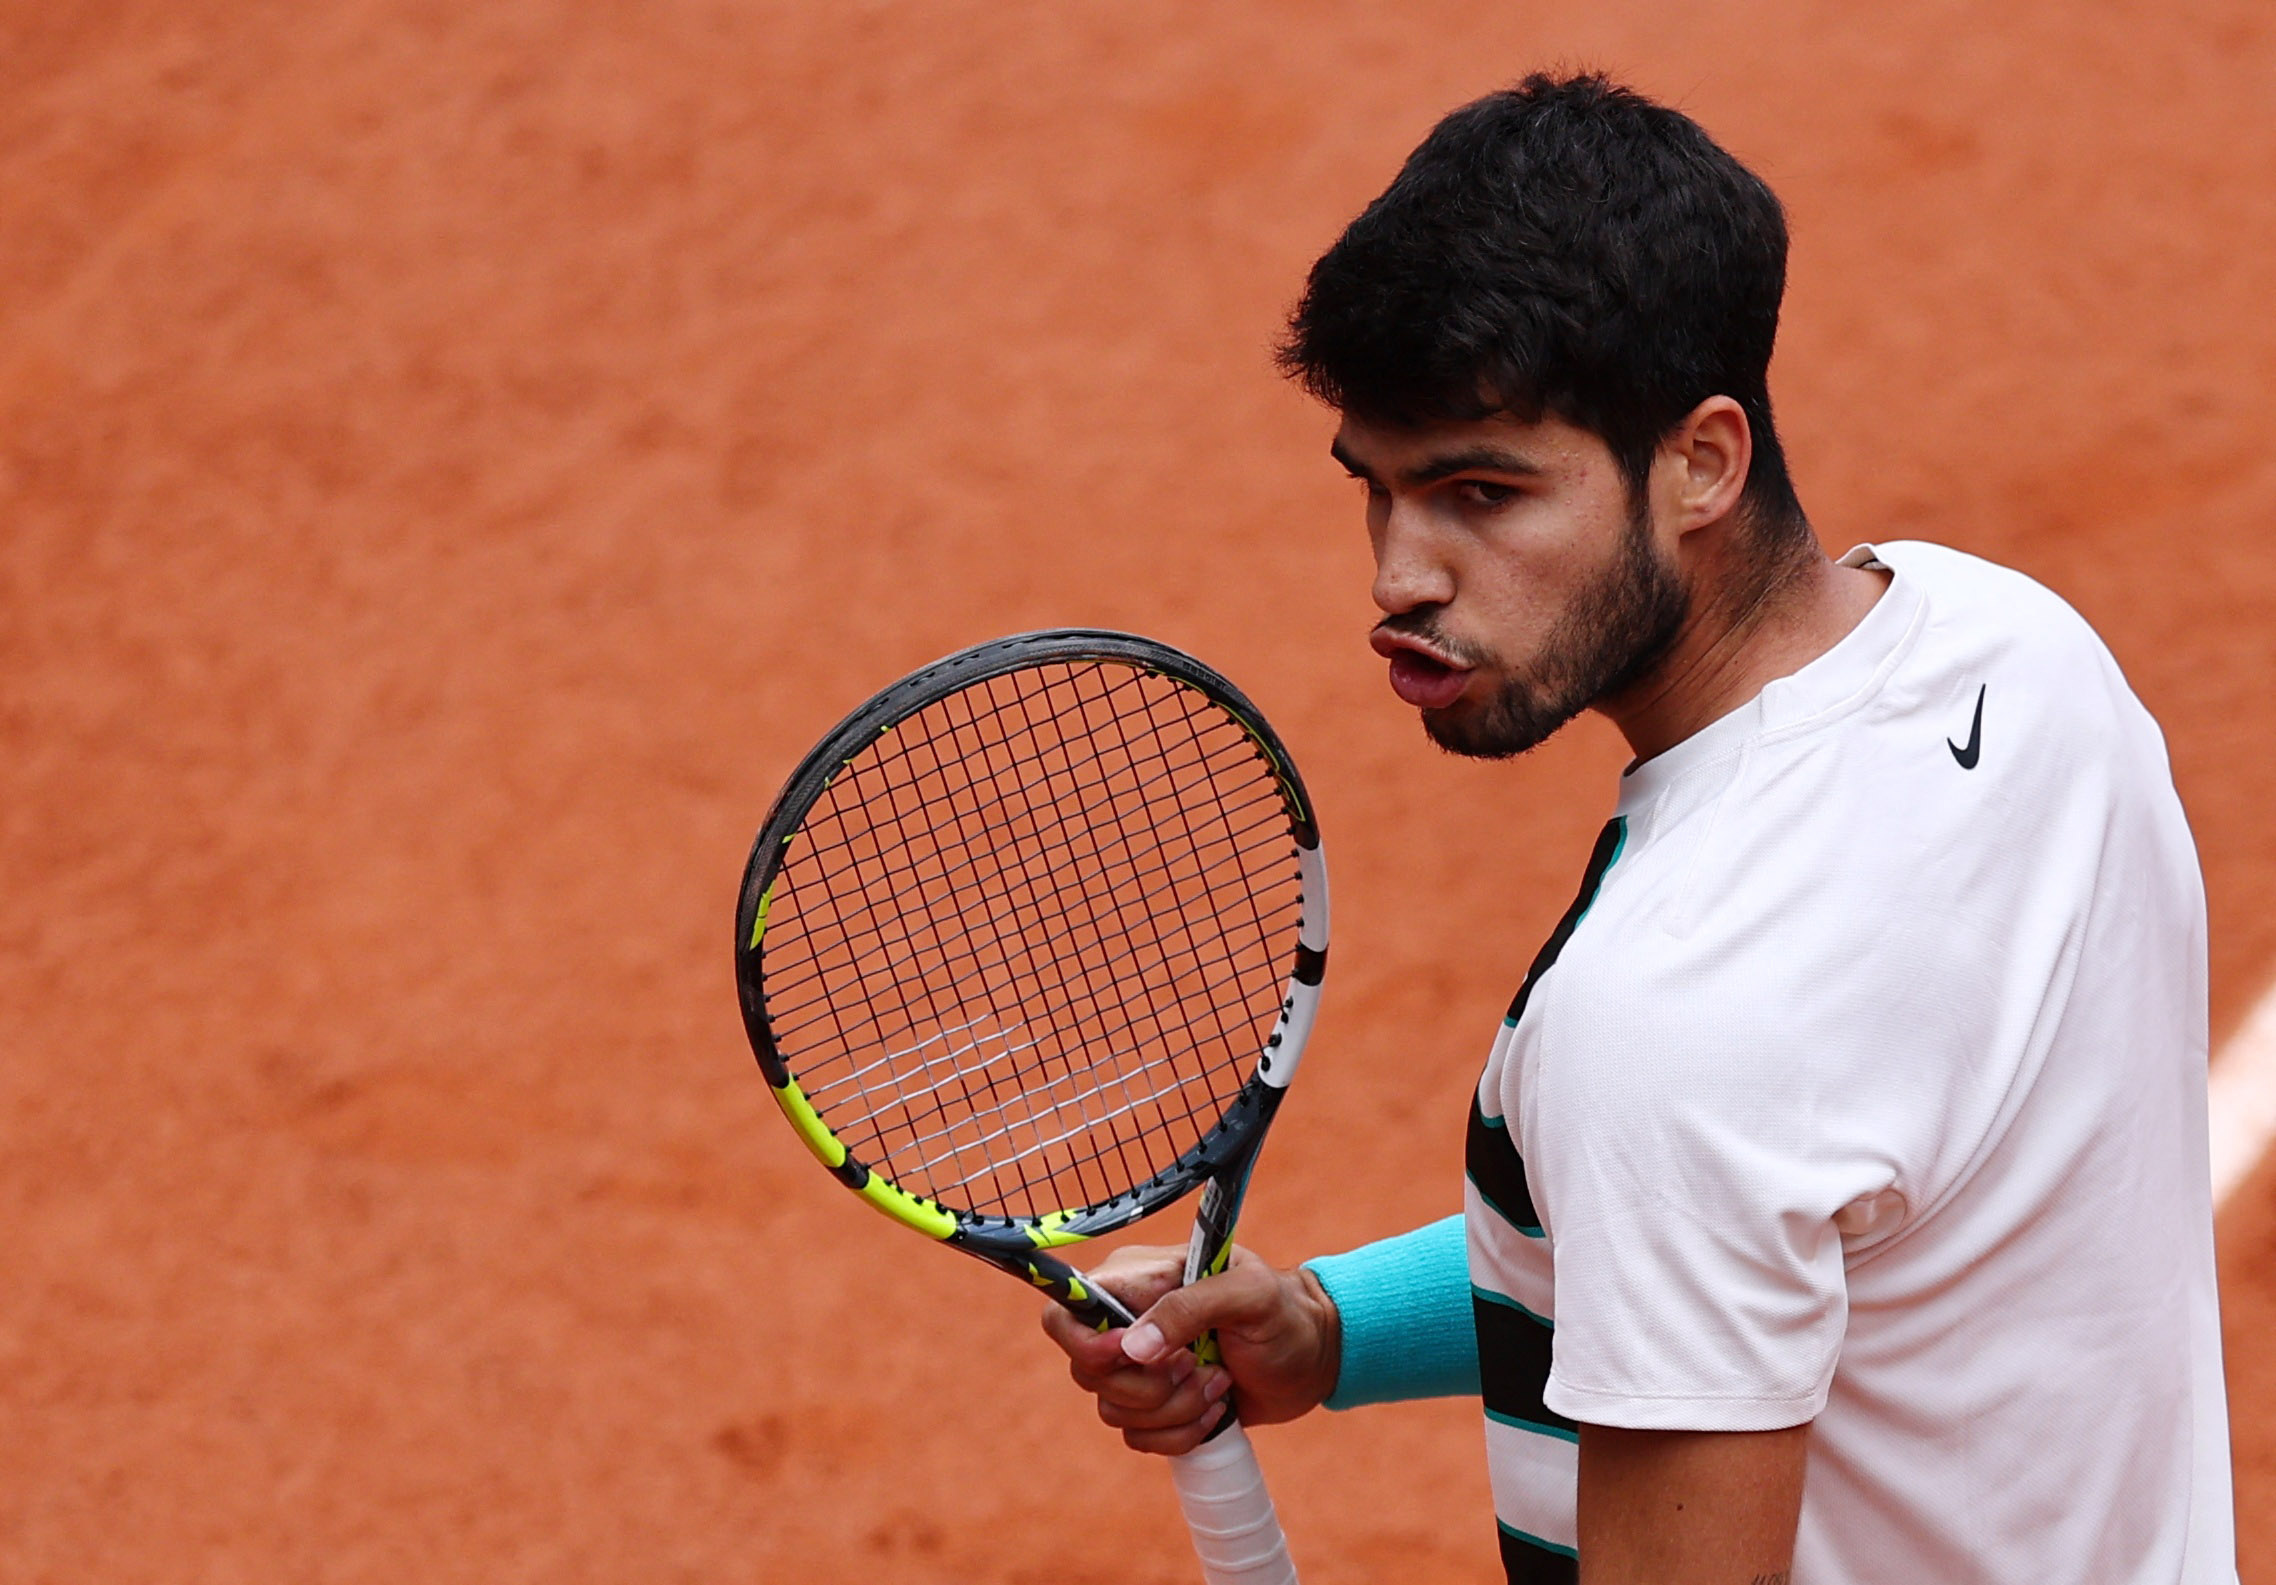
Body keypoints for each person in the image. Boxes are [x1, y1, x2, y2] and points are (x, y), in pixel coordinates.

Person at [1040, 73, 2237, 1584]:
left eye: (1483, 492)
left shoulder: (1664, 1021)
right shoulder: (2026, 655)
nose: (1400, 576)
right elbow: (1778, 1209)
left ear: (1702, 463)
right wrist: (1334, 1332)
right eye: (1380, 492)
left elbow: (1707, 1136)